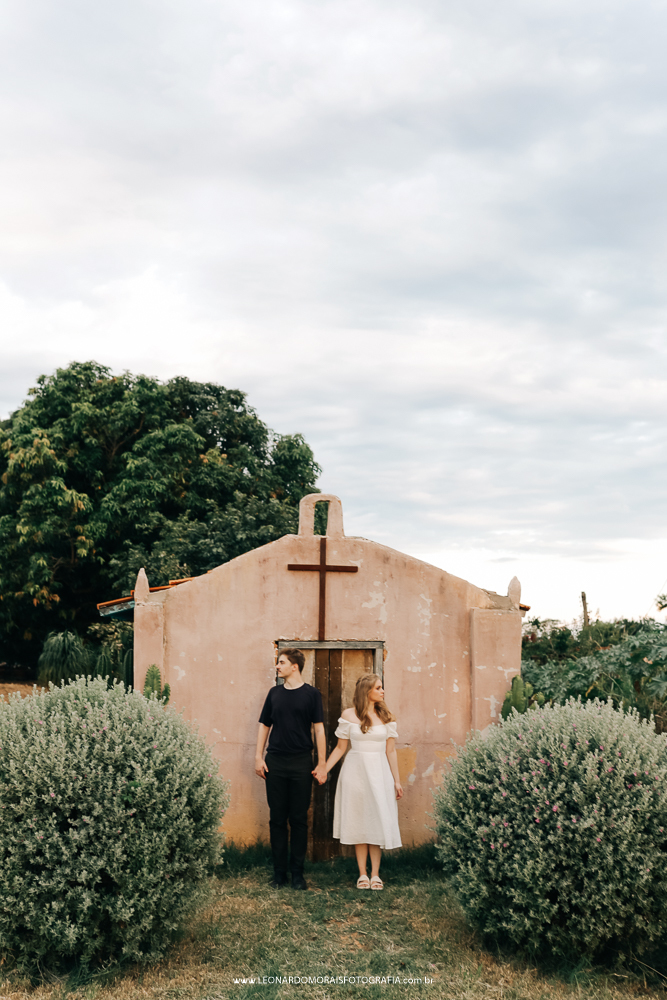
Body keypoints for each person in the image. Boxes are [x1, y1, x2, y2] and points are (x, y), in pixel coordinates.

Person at [322, 673, 403, 890]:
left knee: (376, 819)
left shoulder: (386, 717)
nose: (382, 691)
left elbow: (391, 751)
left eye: (382, 688)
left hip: (380, 773)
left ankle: (376, 874)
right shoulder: (349, 715)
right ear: (366, 691)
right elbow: (340, 748)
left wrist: (396, 781)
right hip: (355, 772)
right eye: (378, 688)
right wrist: (324, 770)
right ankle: (362, 874)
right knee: (359, 820)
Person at [255, 649, 326, 890]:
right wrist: (258, 757)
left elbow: (319, 730)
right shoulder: (274, 694)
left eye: (282, 662)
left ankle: (297, 874)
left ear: (295, 666)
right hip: (275, 762)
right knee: (277, 819)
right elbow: (265, 726)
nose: (278, 666)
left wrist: (322, 763)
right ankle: (279, 874)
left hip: (301, 763)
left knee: (298, 819)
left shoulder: (312, 694)